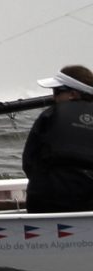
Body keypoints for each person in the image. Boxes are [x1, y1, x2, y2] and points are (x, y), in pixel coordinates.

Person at [23, 65, 93, 213]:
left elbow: (28, 162)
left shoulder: (49, 115)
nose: (52, 97)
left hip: (49, 203)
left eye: (56, 92)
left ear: (73, 94)